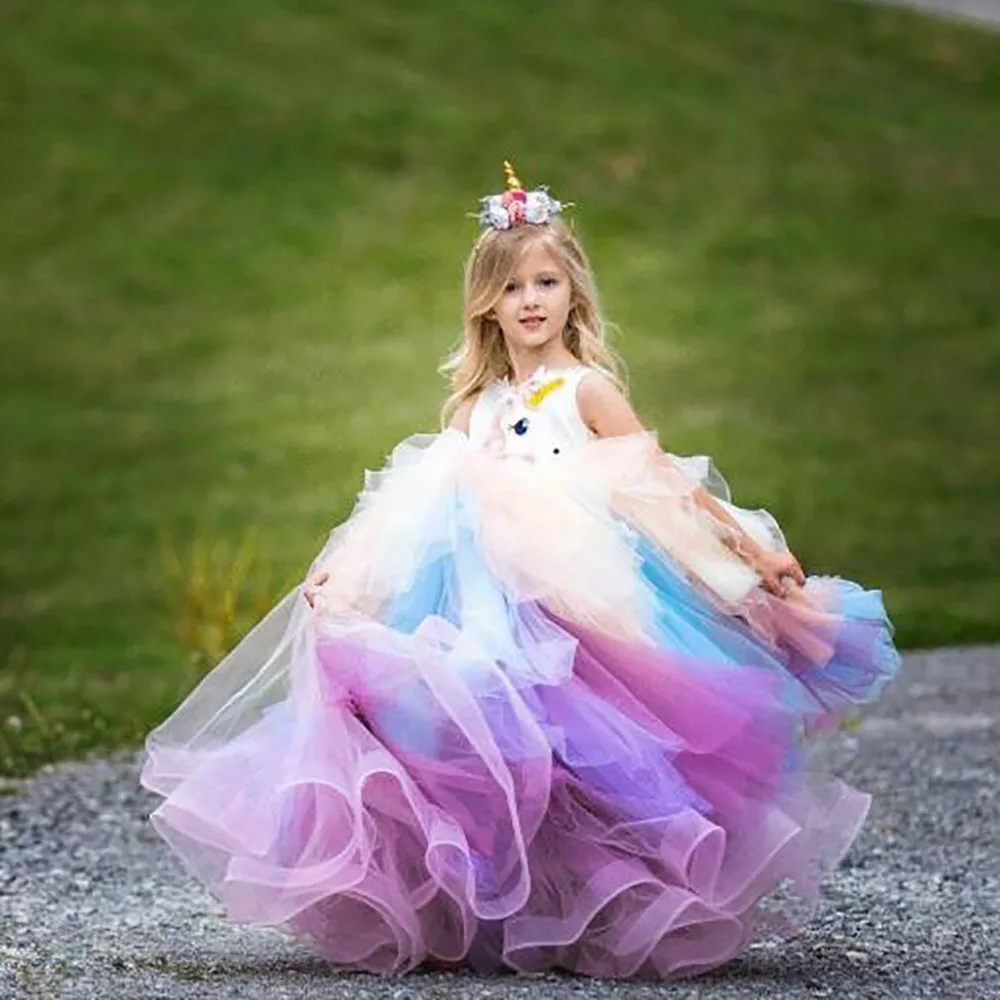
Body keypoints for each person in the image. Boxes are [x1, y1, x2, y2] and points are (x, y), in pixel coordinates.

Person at [139, 162, 901, 981]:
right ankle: (481, 901)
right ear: (487, 306)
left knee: (580, 742)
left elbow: (659, 483)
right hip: (479, 599)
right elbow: (412, 512)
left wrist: (750, 550)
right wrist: (348, 573)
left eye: (547, 282)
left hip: (575, 594)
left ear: (573, 294)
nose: (532, 300)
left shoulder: (588, 391)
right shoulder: (478, 406)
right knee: (466, 724)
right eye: (513, 288)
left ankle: (596, 900)